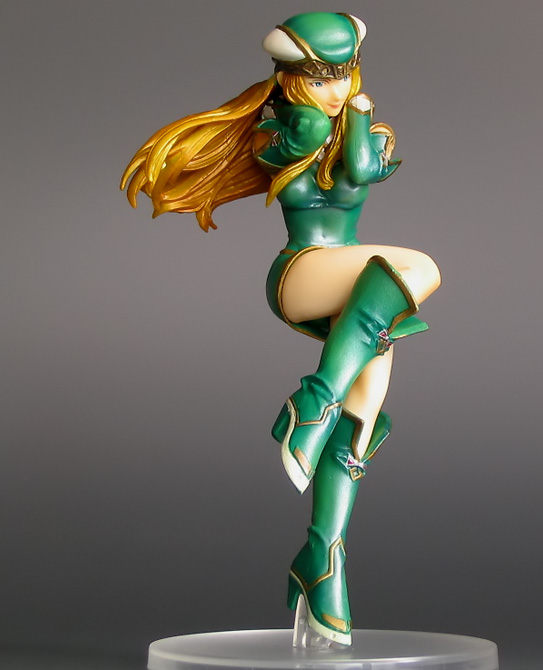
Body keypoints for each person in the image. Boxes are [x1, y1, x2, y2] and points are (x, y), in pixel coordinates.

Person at [121, 12, 441, 647]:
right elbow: (303, 147)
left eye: (344, 74)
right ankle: (312, 401)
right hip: (303, 273)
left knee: (364, 415)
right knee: (421, 268)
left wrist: (356, 115)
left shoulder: (364, 129)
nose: (336, 88)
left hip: (357, 289)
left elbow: (361, 168)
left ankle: (322, 561)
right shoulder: (287, 127)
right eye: (320, 78)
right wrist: (327, 115)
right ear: (292, 79)